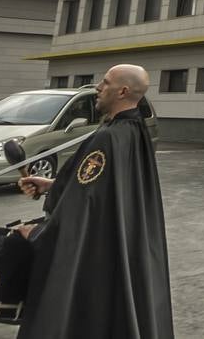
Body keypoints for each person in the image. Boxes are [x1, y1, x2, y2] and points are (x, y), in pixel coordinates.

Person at [12, 64, 172, 339]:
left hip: (97, 256)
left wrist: (37, 233)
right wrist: (51, 185)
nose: (98, 87)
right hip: (120, 246)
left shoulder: (107, 138)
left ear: (122, 91)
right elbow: (108, 189)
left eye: (105, 82)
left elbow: (81, 208)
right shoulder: (134, 131)